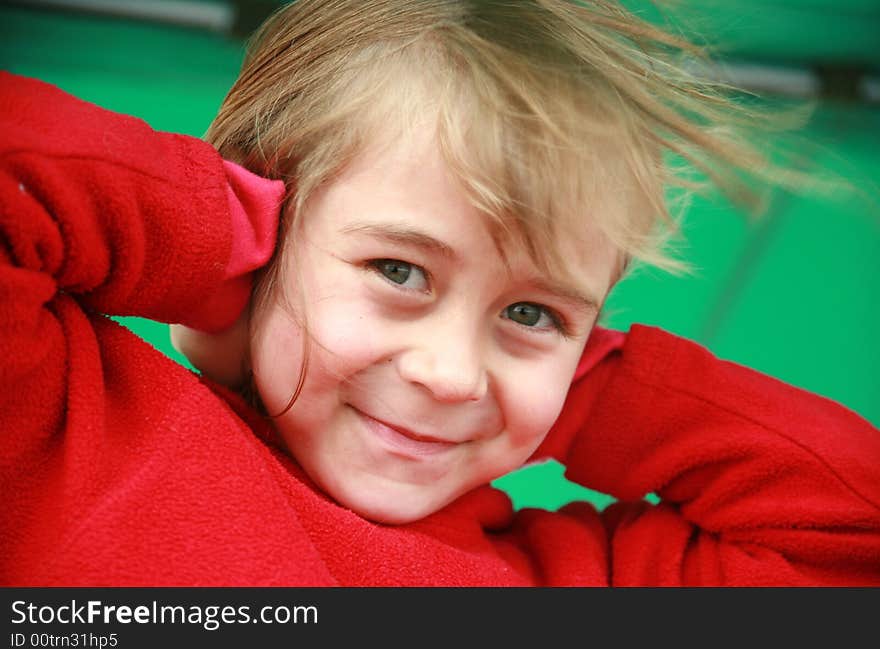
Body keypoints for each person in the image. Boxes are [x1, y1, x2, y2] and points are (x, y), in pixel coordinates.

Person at [2, 0, 878, 586]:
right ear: (267, 223)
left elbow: (853, 539)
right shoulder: (62, 427)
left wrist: (577, 397)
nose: (455, 374)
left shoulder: (566, 583)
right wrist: (214, 247)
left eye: (532, 313)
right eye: (399, 270)